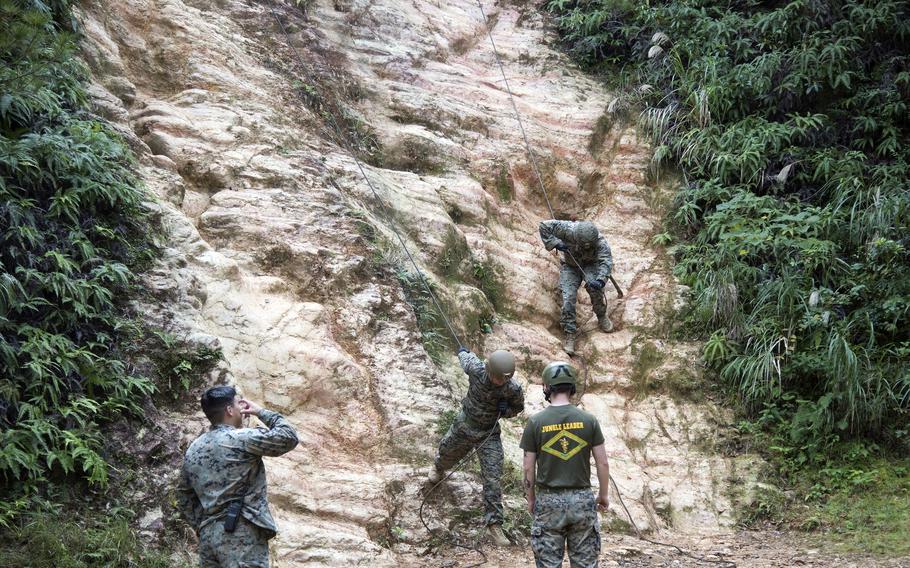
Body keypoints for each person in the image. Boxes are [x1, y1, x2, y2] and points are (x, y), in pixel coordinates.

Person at [177, 385, 299, 568]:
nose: (241, 410)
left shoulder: (194, 448)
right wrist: (261, 412)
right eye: (238, 404)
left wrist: (201, 526)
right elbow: (288, 437)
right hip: (241, 533)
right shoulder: (241, 438)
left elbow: (184, 496)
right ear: (229, 410)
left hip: (209, 537)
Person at [428, 347, 525, 546]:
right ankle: (438, 466)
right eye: (498, 378)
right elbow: (464, 357)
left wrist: (506, 411)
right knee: (447, 454)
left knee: (492, 477)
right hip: (464, 425)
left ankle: (494, 526)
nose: (500, 382)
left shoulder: (512, 388)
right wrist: (463, 351)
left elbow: (518, 408)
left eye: (504, 379)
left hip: (488, 434)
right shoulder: (477, 369)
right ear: (489, 371)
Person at [520, 361, 610, 568]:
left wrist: (531, 498)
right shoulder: (589, 420)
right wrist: (603, 495)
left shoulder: (536, 423)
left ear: (546, 387)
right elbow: (603, 462)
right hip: (582, 500)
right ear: (572, 387)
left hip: (548, 502)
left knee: (548, 563)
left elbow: (528, 466)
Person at [539, 220, 615, 354]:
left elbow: (606, 262)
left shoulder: (601, 243)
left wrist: (600, 281)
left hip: (591, 266)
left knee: (595, 290)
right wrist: (555, 242)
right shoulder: (567, 229)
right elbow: (544, 226)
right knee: (568, 298)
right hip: (570, 266)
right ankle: (570, 333)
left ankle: (601, 315)